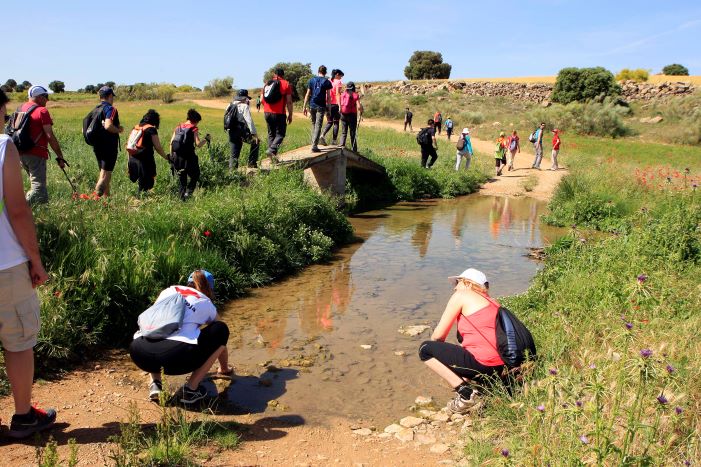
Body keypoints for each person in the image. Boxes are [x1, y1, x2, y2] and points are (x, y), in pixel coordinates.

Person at [0, 88, 57, 439]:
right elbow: (19, 211)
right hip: (4, 264)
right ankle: (23, 416)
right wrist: (35, 260)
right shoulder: (3, 146)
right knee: (18, 341)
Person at [129, 269, 232, 404]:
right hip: (174, 359)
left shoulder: (168, 291)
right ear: (209, 289)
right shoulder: (206, 302)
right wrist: (224, 368)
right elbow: (220, 340)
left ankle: (156, 384)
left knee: (155, 328)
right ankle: (190, 390)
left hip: (139, 353)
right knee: (221, 329)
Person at [418, 268, 505, 414]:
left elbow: (438, 337)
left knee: (426, 349)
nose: (455, 287)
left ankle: (465, 393)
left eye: (458, 283)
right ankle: (476, 389)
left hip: (483, 365)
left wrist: (443, 356)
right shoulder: (494, 303)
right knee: (461, 352)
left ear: (468, 284)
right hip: (499, 368)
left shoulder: (462, 295)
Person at [15, 86, 68, 205]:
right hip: (36, 154)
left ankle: (39, 214)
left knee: (37, 187)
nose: (47, 100)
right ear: (39, 97)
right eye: (46, 96)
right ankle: (18, 208)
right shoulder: (41, 111)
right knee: (39, 190)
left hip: (20, 154)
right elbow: (49, 135)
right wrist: (60, 155)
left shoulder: (19, 108)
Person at [171, 109, 210, 200]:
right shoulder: (193, 128)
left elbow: (171, 142)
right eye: (197, 122)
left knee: (182, 180)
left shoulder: (178, 127)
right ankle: (188, 193)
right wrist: (206, 139)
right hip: (189, 158)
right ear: (195, 120)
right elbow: (198, 144)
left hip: (177, 157)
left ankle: (181, 199)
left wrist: (172, 156)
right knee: (195, 175)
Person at [127, 109, 169, 194]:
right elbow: (158, 147)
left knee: (141, 185)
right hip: (145, 161)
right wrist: (166, 157)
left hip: (133, 159)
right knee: (147, 185)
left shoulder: (136, 127)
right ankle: (140, 202)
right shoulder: (151, 129)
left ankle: (139, 200)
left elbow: (129, 146)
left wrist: (129, 162)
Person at [91, 86, 123, 197]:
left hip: (97, 145)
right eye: (112, 97)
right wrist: (118, 129)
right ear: (110, 96)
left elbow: (84, 128)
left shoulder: (95, 109)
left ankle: (106, 199)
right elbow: (108, 125)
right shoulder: (110, 109)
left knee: (103, 171)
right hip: (108, 146)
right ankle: (97, 195)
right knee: (105, 173)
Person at [262, 68, 294, 158]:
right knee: (280, 134)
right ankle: (272, 150)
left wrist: (268, 107)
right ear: (283, 75)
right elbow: (289, 101)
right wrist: (290, 114)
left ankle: (271, 157)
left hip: (267, 112)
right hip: (279, 113)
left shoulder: (267, 84)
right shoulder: (286, 84)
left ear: (274, 74)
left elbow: (261, 100)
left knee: (271, 134)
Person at [302, 65, 333, 153]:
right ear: (325, 72)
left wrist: (304, 107)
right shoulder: (327, 82)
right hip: (321, 106)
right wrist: (329, 110)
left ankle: (313, 142)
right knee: (318, 125)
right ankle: (314, 145)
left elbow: (307, 94)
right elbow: (329, 97)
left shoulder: (312, 80)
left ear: (318, 71)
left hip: (312, 105)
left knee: (314, 124)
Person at [227, 89, 260, 170]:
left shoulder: (229, 105)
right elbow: (249, 121)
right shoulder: (244, 106)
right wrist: (254, 134)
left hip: (231, 131)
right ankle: (252, 163)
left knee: (234, 153)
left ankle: (232, 172)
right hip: (241, 131)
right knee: (255, 142)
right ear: (244, 98)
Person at [321, 69, 344, 146]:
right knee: (336, 123)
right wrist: (340, 105)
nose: (341, 78)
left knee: (329, 122)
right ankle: (334, 141)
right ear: (337, 74)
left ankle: (322, 135)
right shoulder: (338, 82)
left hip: (327, 104)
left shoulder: (329, 81)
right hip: (335, 104)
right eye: (340, 76)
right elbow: (338, 94)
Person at [339, 82, 363, 152]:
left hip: (343, 115)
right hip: (352, 115)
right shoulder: (355, 95)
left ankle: (341, 146)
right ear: (353, 87)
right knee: (352, 133)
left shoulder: (343, 94)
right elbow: (358, 107)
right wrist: (361, 109)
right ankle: (354, 149)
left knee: (344, 132)